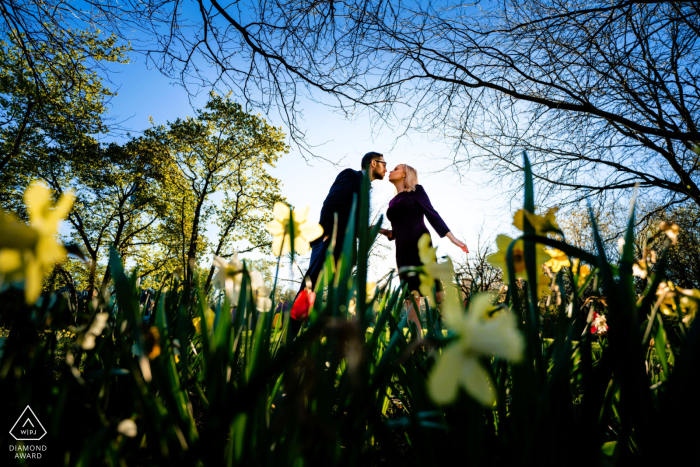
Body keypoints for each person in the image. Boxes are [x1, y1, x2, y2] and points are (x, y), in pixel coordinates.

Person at [287, 152, 388, 337]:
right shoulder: (350, 175)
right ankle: (290, 338)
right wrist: (326, 234)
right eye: (384, 163)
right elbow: (330, 203)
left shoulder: (366, 189)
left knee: (338, 295)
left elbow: (357, 227)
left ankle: (332, 341)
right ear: (373, 163)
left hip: (346, 251)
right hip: (330, 242)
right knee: (309, 289)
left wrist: (384, 231)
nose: (386, 168)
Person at [379, 164, 468, 335]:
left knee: (436, 292)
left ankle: (460, 329)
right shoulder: (392, 201)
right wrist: (380, 230)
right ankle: (417, 341)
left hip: (420, 243)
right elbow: (395, 232)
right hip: (402, 249)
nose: (390, 170)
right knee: (410, 294)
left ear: (405, 174)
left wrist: (453, 238)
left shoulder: (416, 191)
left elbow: (431, 213)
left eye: (396, 168)